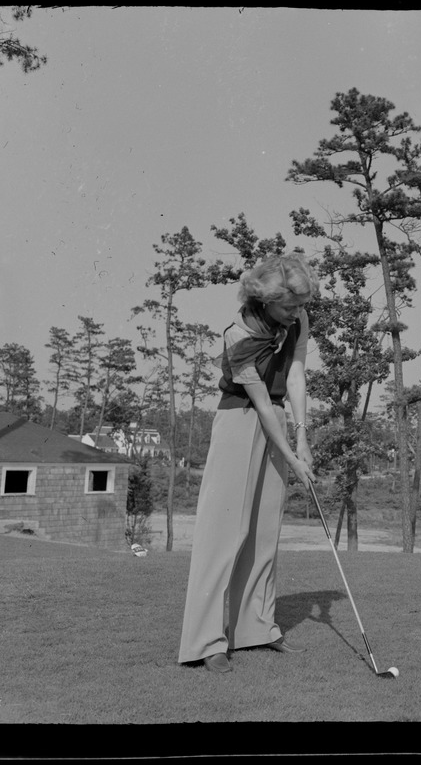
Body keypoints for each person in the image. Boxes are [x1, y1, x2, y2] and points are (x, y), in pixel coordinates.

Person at [178, 252, 318, 673]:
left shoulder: (298, 319)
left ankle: (256, 628)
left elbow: (294, 376)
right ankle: (205, 641)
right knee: (225, 533)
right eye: (288, 306)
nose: (297, 313)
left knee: (264, 530)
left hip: (275, 417)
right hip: (239, 417)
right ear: (265, 301)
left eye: (300, 305)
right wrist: (293, 460)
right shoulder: (237, 332)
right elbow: (256, 400)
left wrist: (302, 435)